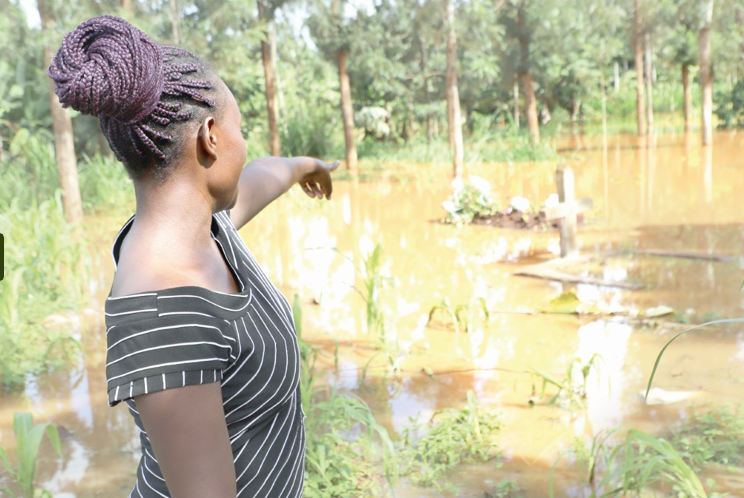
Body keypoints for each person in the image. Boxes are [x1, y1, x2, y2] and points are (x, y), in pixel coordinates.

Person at [47, 15, 339, 498]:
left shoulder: (202, 227)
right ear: (210, 136)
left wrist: (309, 167)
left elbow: (264, 175)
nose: (246, 147)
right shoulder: (164, 311)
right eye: (240, 128)